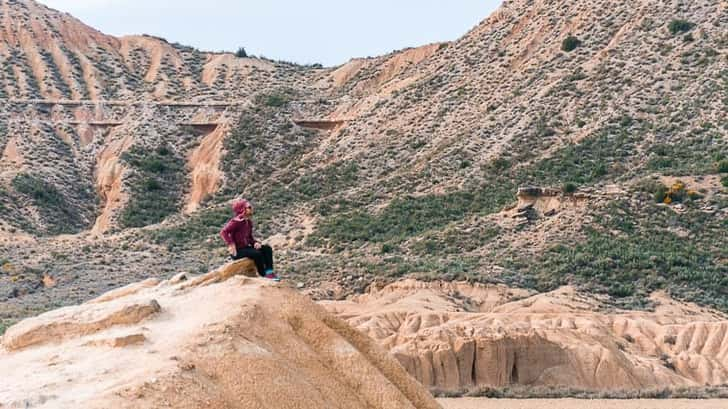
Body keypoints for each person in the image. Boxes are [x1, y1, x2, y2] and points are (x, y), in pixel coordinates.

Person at [220, 198, 279, 281]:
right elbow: (223, 232)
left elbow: (250, 238)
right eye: (249, 207)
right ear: (242, 209)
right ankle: (263, 274)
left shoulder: (248, 222)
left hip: (246, 248)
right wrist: (231, 244)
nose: (251, 208)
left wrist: (255, 243)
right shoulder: (236, 221)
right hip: (238, 251)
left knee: (267, 248)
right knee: (257, 254)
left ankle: (269, 272)